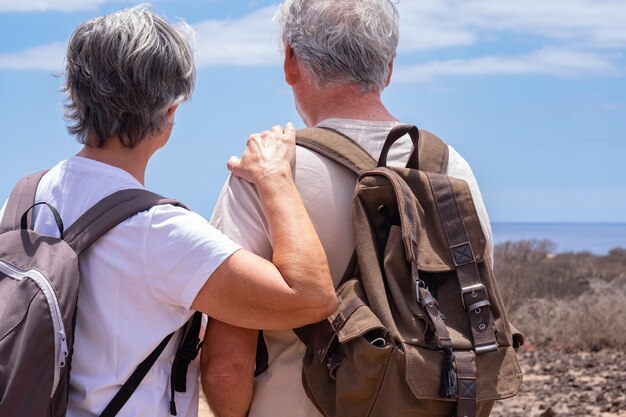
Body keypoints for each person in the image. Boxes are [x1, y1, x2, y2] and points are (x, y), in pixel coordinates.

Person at [0, 5, 337, 417]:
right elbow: (311, 297)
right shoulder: (160, 233)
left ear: (75, 94)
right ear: (170, 112)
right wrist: (273, 177)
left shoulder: (22, 199)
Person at [202, 0, 495, 416]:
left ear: (289, 59)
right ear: (388, 68)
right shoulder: (450, 169)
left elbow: (227, 365)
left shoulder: (267, 169)